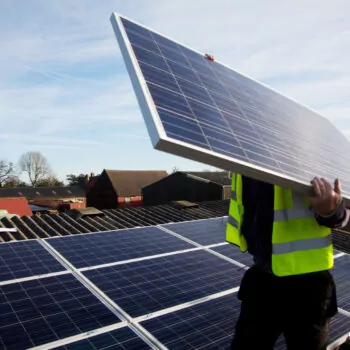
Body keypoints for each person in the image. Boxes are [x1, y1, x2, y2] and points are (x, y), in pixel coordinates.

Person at [227, 174, 350, 350]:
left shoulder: (323, 154)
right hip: (261, 281)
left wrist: (334, 212)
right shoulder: (243, 153)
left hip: (309, 290)